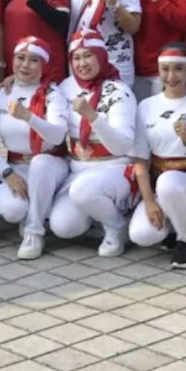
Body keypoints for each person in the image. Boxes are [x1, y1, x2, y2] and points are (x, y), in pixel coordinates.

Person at [0, 36, 69, 260]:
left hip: (49, 163)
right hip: (16, 165)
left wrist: (28, 117)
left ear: (44, 66)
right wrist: (7, 174)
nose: (25, 65)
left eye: (33, 60)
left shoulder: (53, 94)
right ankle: (37, 209)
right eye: (20, 58)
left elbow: (57, 136)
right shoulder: (1, 93)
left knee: (40, 164)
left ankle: (34, 231)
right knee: (11, 211)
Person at [49, 31, 139, 257]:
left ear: (101, 56)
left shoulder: (118, 90)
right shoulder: (65, 87)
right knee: (63, 227)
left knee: (84, 191)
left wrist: (93, 117)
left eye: (88, 56)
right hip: (78, 170)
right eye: (76, 57)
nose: (82, 63)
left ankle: (117, 226)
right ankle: (98, 213)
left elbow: (122, 146)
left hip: (114, 168)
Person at [129, 43, 186, 269]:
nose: (171, 76)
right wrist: (149, 202)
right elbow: (140, 160)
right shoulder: (146, 106)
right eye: (165, 69)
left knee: (169, 182)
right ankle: (175, 227)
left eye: (178, 69)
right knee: (142, 235)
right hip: (160, 184)